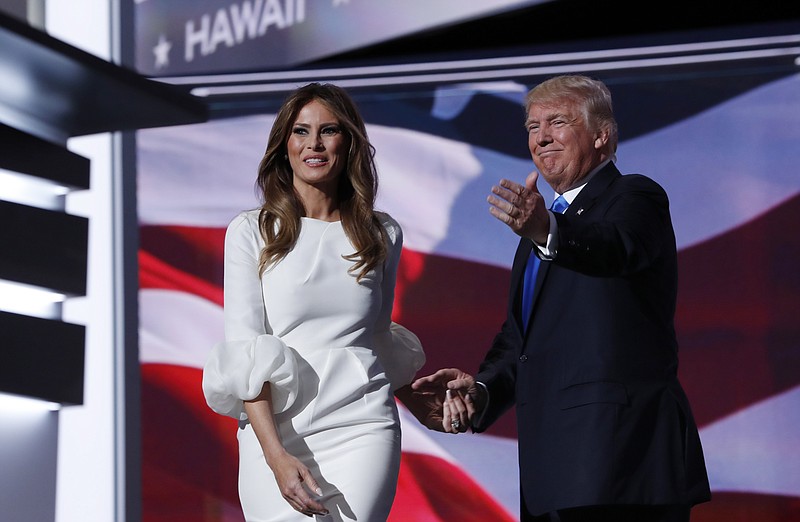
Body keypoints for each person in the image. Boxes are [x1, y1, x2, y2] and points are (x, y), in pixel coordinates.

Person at [414, 74, 712, 521]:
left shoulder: (633, 196)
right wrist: (480, 392)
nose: (541, 137)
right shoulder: (542, 228)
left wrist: (546, 230)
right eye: (532, 127)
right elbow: (522, 342)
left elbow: (614, 248)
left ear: (601, 135)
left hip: (622, 465)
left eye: (557, 122)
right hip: (552, 474)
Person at [202, 82, 443, 521]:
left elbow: (376, 338)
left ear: (348, 142)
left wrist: (414, 396)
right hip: (275, 433)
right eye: (300, 131)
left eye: (328, 130)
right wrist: (276, 458)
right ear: (284, 144)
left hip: (362, 424)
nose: (313, 144)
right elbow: (244, 353)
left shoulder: (382, 233)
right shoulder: (250, 231)